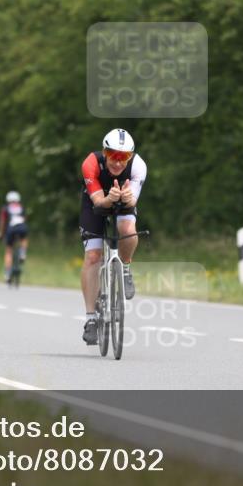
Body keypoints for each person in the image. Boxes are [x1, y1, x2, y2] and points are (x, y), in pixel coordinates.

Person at [79, 128, 147, 345]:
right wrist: (109, 198)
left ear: (130, 157)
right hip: (96, 203)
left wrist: (127, 198)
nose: (118, 163)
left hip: (122, 201)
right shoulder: (91, 163)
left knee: (128, 230)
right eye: (113, 156)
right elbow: (99, 202)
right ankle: (91, 319)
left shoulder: (138, 166)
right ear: (104, 152)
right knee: (93, 256)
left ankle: (125, 269)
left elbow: (133, 202)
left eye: (124, 157)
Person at [0, 190, 29, 283]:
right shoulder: (21, 207)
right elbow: (25, 218)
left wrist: (0, 233)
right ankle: (23, 253)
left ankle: (7, 273)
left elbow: (2, 222)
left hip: (11, 229)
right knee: (24, 238)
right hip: (22, 227)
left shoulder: (5, 208)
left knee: (8, 251)